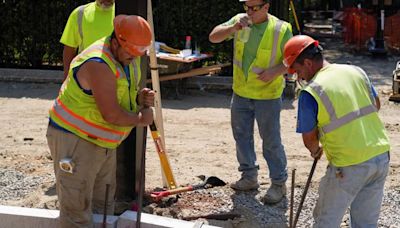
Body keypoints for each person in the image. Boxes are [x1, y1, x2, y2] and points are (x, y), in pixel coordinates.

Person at [46, 15, 154, 227]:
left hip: (102, 142)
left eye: (138, 53)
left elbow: (120, 92)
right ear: (115, 41)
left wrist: (137, 98)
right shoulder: (98, 63)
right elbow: (111, 114)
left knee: (102, 207)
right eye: (131, 53)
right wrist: (142, 118)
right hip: (75, 140)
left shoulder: (125, 56)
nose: (134, 58)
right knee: (76, 213)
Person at [283, 35, 390, 227]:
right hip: (380, 155)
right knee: (365, 223)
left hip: (348, 164)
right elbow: (376, 105)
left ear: (307, 63)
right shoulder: (354, 71)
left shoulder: (312, 91)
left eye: (298, 71)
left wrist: (316, 150)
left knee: (326, 220)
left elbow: (309, 139)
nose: (299, 77)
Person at [209, 0, 292, 204]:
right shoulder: (239, 21)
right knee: (241, 136)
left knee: (271, 141)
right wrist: (234, 27)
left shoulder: (281, 28)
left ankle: (278, 184)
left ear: (266, 7)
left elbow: (294, 58)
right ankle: (249, 177)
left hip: (268, 96)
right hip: (241, 93)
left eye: (254, 8)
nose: (249, 11)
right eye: (247, 7)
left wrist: (275, 71)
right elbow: (214, 37)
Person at [60, 0, 115, 80]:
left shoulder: (126, 14)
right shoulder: (80, 13)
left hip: (118, 81)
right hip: (86, 80)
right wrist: (67, 79)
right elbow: (69, 48)